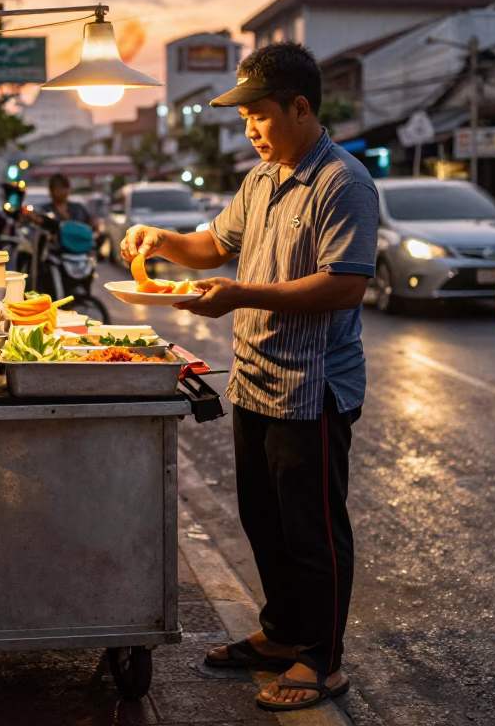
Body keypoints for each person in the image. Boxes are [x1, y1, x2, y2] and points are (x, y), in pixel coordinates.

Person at [121, 41, 379, 712]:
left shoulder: (342, 182)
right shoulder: (260, 180)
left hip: (312, 386)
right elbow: (212, 245)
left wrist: (241, 295)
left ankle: (321, 660)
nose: (251, 130)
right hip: (256, 379)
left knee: (312, 529)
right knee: (262, 520)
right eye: (244, 120)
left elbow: (344, 286)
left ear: (299, 107)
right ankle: (281, 634)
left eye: (259, 115)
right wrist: (160, 241)